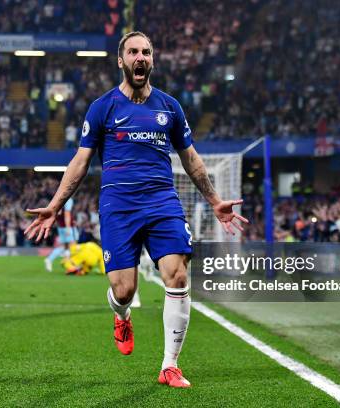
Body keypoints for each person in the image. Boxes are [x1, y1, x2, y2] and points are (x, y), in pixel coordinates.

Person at [24, 31, 247, 388]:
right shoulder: (103, 107)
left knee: (177, 275)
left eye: (146, 52)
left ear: (152, 60)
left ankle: (169, 365)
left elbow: (190, 159)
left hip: (162, 202)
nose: (140, 57)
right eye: (133, 52)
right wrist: (54, 205)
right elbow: (80, 162)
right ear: (121, 60)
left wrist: (213, 199)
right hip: (119, 207)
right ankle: (122, 314)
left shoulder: (169, 107)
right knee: (124, 290)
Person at [44, 198, 77, 272]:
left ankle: (68, 265)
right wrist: (68, 227)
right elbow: (67, 214)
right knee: (72, 246)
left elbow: (57, 213)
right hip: (66, 227)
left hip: (61, 226)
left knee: (66, 247)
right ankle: (49, 259)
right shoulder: (68, 200)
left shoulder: (60, 198)